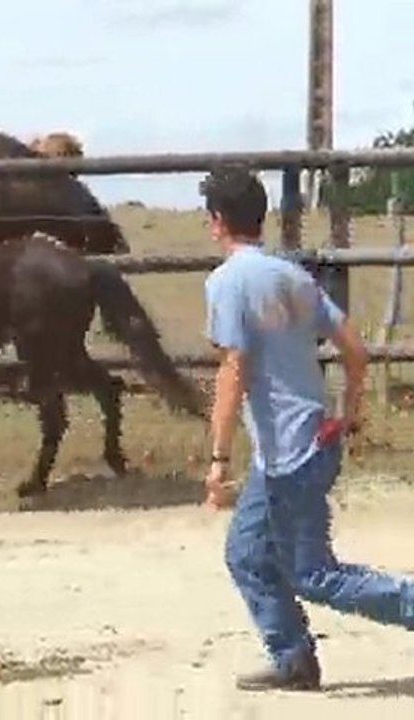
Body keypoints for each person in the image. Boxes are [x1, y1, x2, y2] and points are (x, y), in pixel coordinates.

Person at [199, 165, 414, 692]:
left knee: (314, 574)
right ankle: (293, 657)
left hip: (291, 453)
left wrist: (219, 459)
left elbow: (233, 369)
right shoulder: (293, 277)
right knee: (247, 553)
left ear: (218, 220)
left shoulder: (227, 282)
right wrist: (348, 411)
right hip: (303, 444)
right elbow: (355, 351)